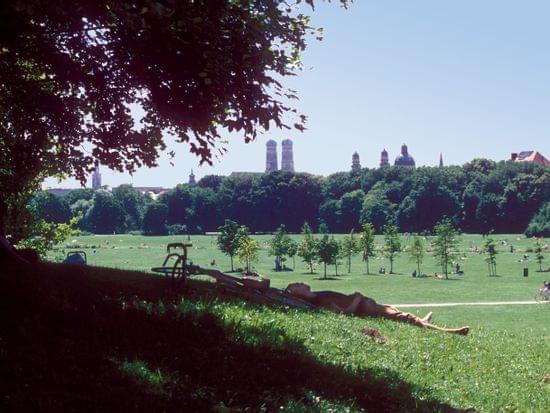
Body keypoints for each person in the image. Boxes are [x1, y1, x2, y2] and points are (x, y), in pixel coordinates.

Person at [285, 283, 470, 335]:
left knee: (401, 314)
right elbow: (344, 315)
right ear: (297, 295)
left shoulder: (320, 294)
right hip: (368, 309)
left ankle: (424, 321)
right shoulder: (320, 302)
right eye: (297, 286)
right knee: (407, 319)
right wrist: (357, 299)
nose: (301, 283)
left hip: (374, 305)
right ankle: (450, 332)